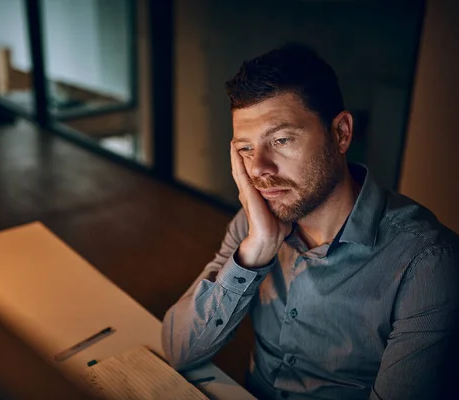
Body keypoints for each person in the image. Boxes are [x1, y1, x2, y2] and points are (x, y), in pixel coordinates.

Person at [161, 44, 459, 400]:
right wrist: (255, 251)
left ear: (341, 134)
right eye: (245, 148)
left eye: (281, 140)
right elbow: (178, 347)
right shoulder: (255, 224)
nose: (258, 169)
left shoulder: (428, 260)